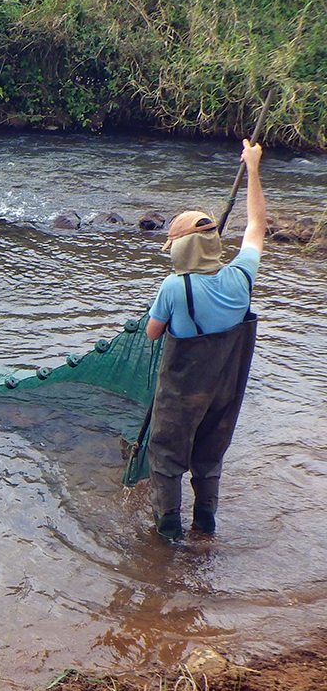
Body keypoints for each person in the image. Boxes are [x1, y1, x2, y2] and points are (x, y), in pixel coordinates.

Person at [144, 139, 265, 541]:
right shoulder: (241, 277)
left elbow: (152, 332)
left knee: (165, 457)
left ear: (180, 249)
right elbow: (255, 225)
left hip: (183, 393)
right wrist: (252, 168)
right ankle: (206, 526)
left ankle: (168, 533)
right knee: (209, 456)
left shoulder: (173, 288)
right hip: (226, 392)